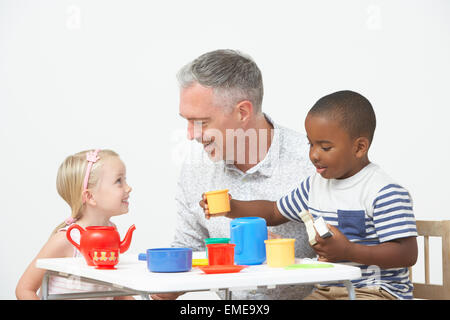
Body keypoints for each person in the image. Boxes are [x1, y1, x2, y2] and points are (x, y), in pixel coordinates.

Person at [201, 90, 418, 300]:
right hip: (327, 290)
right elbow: (275, 211)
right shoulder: (315, 185)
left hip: (376, 291)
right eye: (311, 144)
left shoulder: (383, 191)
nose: (314, 155)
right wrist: (232, 207)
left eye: (325, 147)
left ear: (359, 147)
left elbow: (406, 254)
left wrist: (349, 251)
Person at [153, 49, 316, 300]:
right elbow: (189, 252)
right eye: (186, 121)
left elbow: (347, 261)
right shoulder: (196, 168)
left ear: (242, 112)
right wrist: (148, 289)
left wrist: (286, 259)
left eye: (201, 122)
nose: (190, 135)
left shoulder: (313, 164)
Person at [15, 149, 134, 300]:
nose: (128, 188)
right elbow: (24, 290)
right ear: (90, 196)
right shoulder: (64, 240)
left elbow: (115, 290)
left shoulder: (112, 231)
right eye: (119, 181)